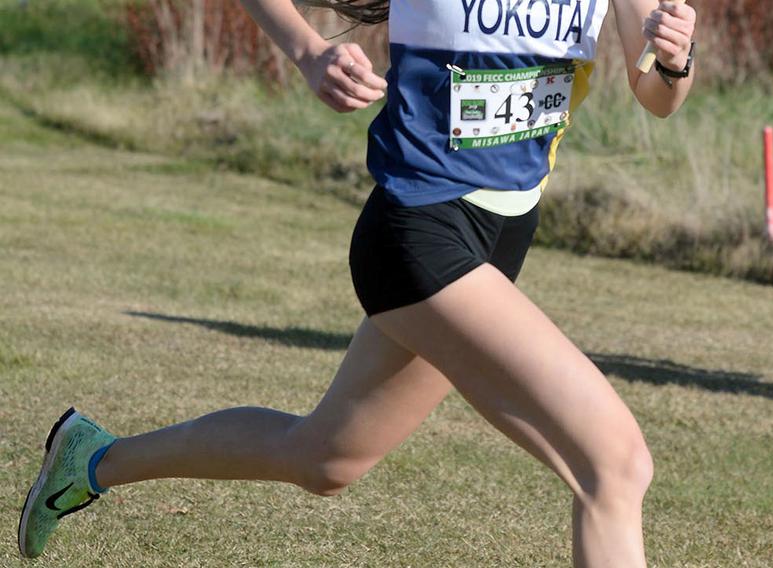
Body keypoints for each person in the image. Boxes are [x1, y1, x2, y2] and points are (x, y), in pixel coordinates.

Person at [18, 1, 697, 565]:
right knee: (615, 467)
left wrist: (674, 59)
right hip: (418, 230)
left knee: (326, 458)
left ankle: (92, 460)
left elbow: (657, 94)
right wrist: (309, 51)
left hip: (502, 236)